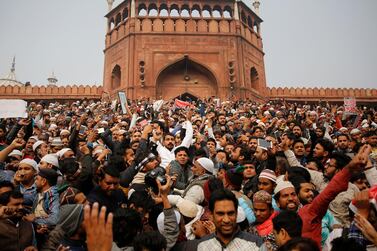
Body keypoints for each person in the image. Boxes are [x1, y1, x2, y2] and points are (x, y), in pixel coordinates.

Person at [176, 188, 265, 251]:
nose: (226, 220)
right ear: (211, 215)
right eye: (220, 214)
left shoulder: (257, 244)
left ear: (236, 213)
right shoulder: (195, 246)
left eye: (230, 213)